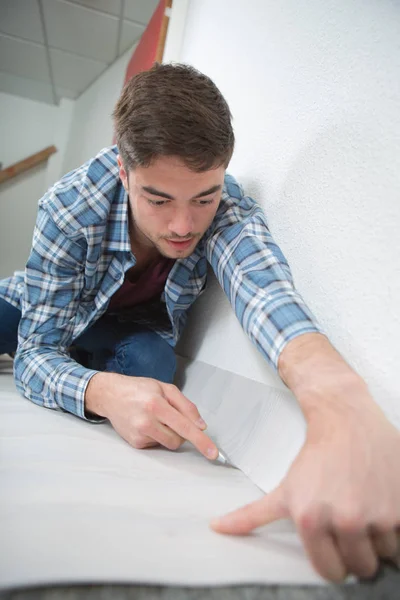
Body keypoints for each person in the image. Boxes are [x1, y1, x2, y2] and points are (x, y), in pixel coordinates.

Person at [0, 63, 399, 583]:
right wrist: (100, 393)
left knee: (152, 366)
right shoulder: (69, 207)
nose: (184, 226)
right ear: (124, 172)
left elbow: (265, 291)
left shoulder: (230, 208)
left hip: (122, 332)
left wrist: (346, 406)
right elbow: (34, 354)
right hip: (39, 308)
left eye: (203, 199)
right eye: (158, 200)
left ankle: (88, 364)